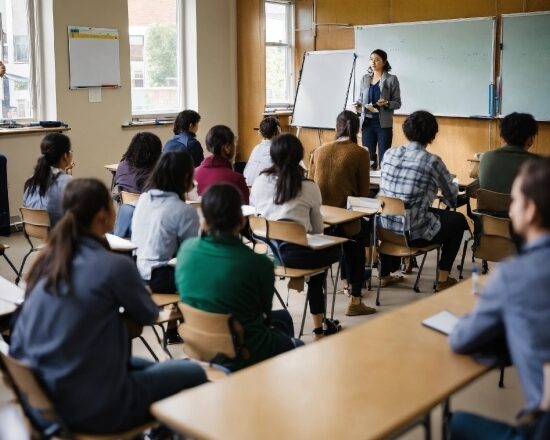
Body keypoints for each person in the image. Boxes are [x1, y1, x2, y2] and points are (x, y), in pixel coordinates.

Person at [10, 178, 207, 434]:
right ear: (103, 215)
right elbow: (148, 314)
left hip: (47, 401)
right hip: (95, 406)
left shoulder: (46, 262)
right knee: (193, 373)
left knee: (150, 366)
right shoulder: (114, 265)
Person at [449, 157, 550, 439]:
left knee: (454, 422)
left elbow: (462, 339)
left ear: (529, 210)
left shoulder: (514, 275)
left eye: (514, 201)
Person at [176, 183, 302, 371]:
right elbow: (264, 316)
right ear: (241, 220)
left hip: (200, 344)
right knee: (298, 345)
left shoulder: (185, 250)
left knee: (283, 318)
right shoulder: (258, 264)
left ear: (204, 218)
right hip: (243, 350)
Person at [251, 133, 341, 337]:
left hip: (267, 255)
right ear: (299, 156)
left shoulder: (260, 181)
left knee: (314, 258)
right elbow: (317, 230)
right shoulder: (309, 186)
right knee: (333, 253)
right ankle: (319, 324)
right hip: (298, 256)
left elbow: (257, 213)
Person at [379, 110, 469, 290]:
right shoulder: (432, 161)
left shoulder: (389, 153)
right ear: (432, 136)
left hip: (384, 228)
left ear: (406, 131)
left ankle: (385, 275)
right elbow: (451, 199)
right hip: (412, 233)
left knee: (402, 208)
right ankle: (443, 279)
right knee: (458, 220)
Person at [309, 110, 375, 315]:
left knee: (353, 232)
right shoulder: (361, 153)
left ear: (336, 127)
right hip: (344, 222)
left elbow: (311, 184)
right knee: (360, 235)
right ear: (356, 129)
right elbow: (363, 194)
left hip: (319, 223)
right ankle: (355, 299)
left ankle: (342, 285)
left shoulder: (319, 151)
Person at [131, 152, 199, 343]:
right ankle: (200, 327)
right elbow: (193, 254)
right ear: (186, 177)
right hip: (160, 278)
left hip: (136, 272)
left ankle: (172, 328)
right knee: (201, 269)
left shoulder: (143, 199)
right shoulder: (183, 210)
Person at [355, 49, 401, 169]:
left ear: (384, 62)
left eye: (377, 60)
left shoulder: (391, 79)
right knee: (368, 159)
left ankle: (383, 186)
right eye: (371, 59)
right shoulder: (365, 78)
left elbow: (397, 103)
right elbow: (360, 99)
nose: (373, 62)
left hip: (383, 125)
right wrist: (357, 105)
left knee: (384, 158)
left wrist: (386, 103)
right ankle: (370, 186)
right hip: (367, 123)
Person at [478, 112, 539, 194]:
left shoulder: (486, 157)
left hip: (486, 207)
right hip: (521, 207)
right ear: (530, 140)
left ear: (502, 137)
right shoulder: (539, 164)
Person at [23, 133, 74, 226]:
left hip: (35, 228)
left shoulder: (31, 181)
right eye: (70, 150)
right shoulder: (67, 181)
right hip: (60, 230)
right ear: (65, 156)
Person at [194, 124, 250, 204]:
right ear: (227, 147)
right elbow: (244, 211)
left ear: (207, 147)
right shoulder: (236, 179)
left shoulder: (192, 174)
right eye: (233, 144)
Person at [243, 116, 281, 186]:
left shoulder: (256, 148)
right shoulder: (278, 150)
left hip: (249, 188)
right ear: (277, 131)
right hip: (264, 190)